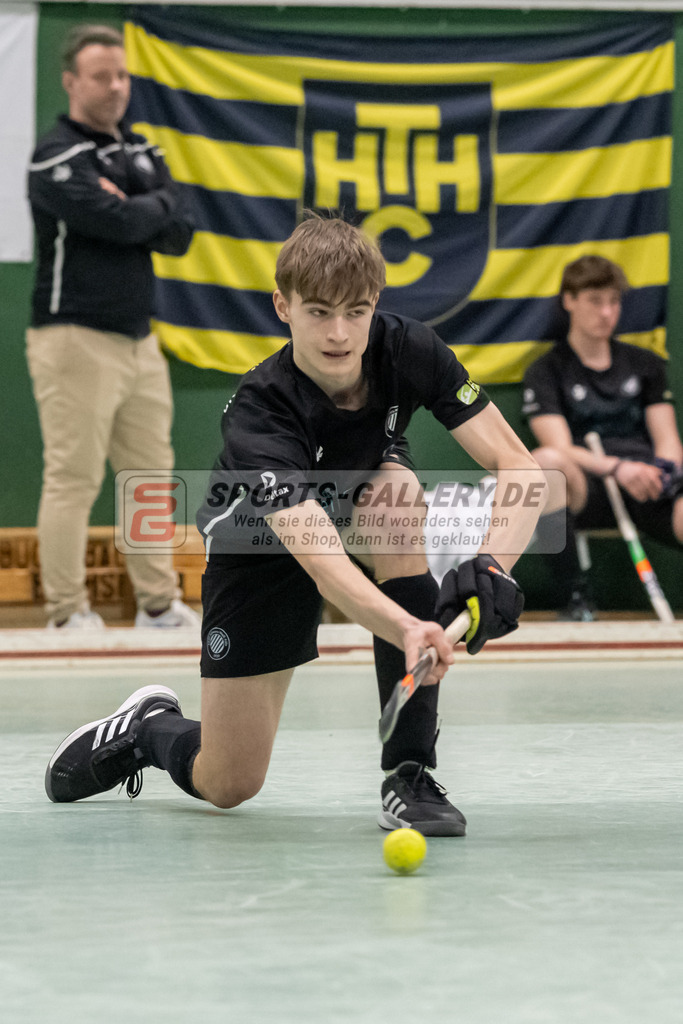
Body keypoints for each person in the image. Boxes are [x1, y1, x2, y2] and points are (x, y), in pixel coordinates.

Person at [45, 215, 545, 836]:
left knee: (396, 497)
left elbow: (520, 466)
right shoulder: (261, 410)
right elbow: (321, 561)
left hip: (361, 496)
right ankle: (148, 729)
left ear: (377, 304)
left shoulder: (408, 348)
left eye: (356, 311)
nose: (339, 334)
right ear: (282, 305)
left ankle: (409, 771)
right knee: (230, 783)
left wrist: (493, 562)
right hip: (261, 545)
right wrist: (412, 627)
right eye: (317, 312)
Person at [26, 24, 199, 630]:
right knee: (73, 476)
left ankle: (157, 603)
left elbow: (181, 229)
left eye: (122, 75)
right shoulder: (56, 155)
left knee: (149, 475)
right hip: (72, 337)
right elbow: (126, 225)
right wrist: (146, 208)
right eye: (102, 76)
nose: (115, 87)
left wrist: (138, 206)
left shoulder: (143, 150)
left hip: (140, 340)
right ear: (71, 80)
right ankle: (65, 612)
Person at [522, 255, 683, 619]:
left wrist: (664, 471)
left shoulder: (646, 365)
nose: (607, 312)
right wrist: (617, 468)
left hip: (648, 484)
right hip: (588, 488)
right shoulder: (546, 371)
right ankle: (574, 597)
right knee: (544, 465)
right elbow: (558, 447)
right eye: (595, 301)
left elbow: (669, 440)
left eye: (614, 301)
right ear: (569, 301)